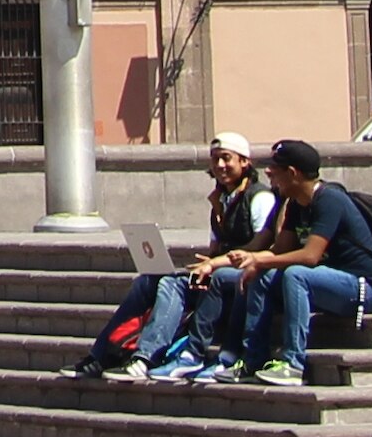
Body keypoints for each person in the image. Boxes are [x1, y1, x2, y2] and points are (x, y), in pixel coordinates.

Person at [78, 134, 278, 384]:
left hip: (240, 276)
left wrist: (214, 263)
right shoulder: (219, 200)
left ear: (245, 162)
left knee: (174, 283)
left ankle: (148, 357)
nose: (220, 166)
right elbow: (216, 247)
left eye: (227, 159)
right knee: (150, 281)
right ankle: (101, 354)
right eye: (215, 160)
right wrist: (207, 260)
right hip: (218, 272)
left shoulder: (260, 198)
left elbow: (259, 247)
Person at [225, 140, 372, 387]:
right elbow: (280, 250)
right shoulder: (297, 203)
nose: (268, 173)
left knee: (296, 274)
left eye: (275, 169)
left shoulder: (330, 200)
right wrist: (253, 261)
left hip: (363, 288)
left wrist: (262, 262)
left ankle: (293, 364)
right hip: (328, 282)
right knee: (262, 276)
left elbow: (310, 256)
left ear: (293, 173)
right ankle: (252, 361)